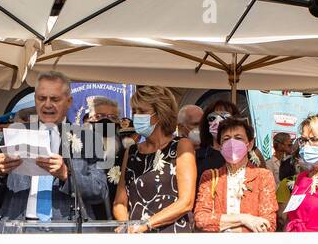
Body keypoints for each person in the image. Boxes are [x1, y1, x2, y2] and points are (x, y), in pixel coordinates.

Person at [0, 70, 108, 225]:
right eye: (41, 98)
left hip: (66, 230)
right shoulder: (16, 133)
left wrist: (66, 175)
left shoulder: (88, 138)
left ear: (69, 101)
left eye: (55, 99)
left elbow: (100, 190)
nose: (47, 104)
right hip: (18, 228)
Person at [113, 85, 197, 232]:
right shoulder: (132, 152)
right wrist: (126, 226)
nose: (136, 116)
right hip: (136, 239)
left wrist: (147, 224)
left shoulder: (181, 146)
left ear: (160, 114)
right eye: (135, 111)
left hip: (172, 236)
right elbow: (119, 202)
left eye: (142, 111)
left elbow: (186, 202)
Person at [193, 115, 277, 232]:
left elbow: (268, 224)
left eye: (238, 138)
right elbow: (201, 219)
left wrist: (224, 224)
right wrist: (245, 219)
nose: (232, 143)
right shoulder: (210, 177)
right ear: (220, 146)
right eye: (226, 139)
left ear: (250, 144)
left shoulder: (263, 176)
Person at [196, 98, 239, 172]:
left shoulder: (249, 153)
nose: (218, 121)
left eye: (225, 116)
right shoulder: (198, 156)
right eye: (212, 118)